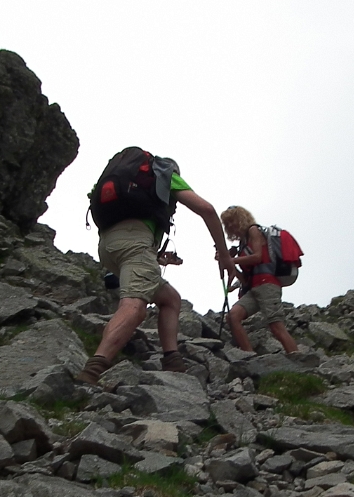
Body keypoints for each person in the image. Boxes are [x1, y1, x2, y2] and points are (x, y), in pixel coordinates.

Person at [76, 150, 239, 384]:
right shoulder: (165, 173)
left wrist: (158, 258)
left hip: (108, 245)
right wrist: (224, 255)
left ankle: (172, 360)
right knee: (134, 306)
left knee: (170, 298)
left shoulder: (125, 179)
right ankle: (93, 370)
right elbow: (207, 210)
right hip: (135, 241)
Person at [221, 205, 299, 354]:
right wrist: (232, 265)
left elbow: (257, 257)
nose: (231, 226)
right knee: (232, 317)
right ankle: (250, 356)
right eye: (228, 224)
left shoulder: (253, 230)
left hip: (268, 284)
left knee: (276, 326)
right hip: (254, 287)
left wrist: (231, 260)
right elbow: (245, 280)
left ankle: (299, 359)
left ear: (240, 219)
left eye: (232, 221)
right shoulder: (243, 243)